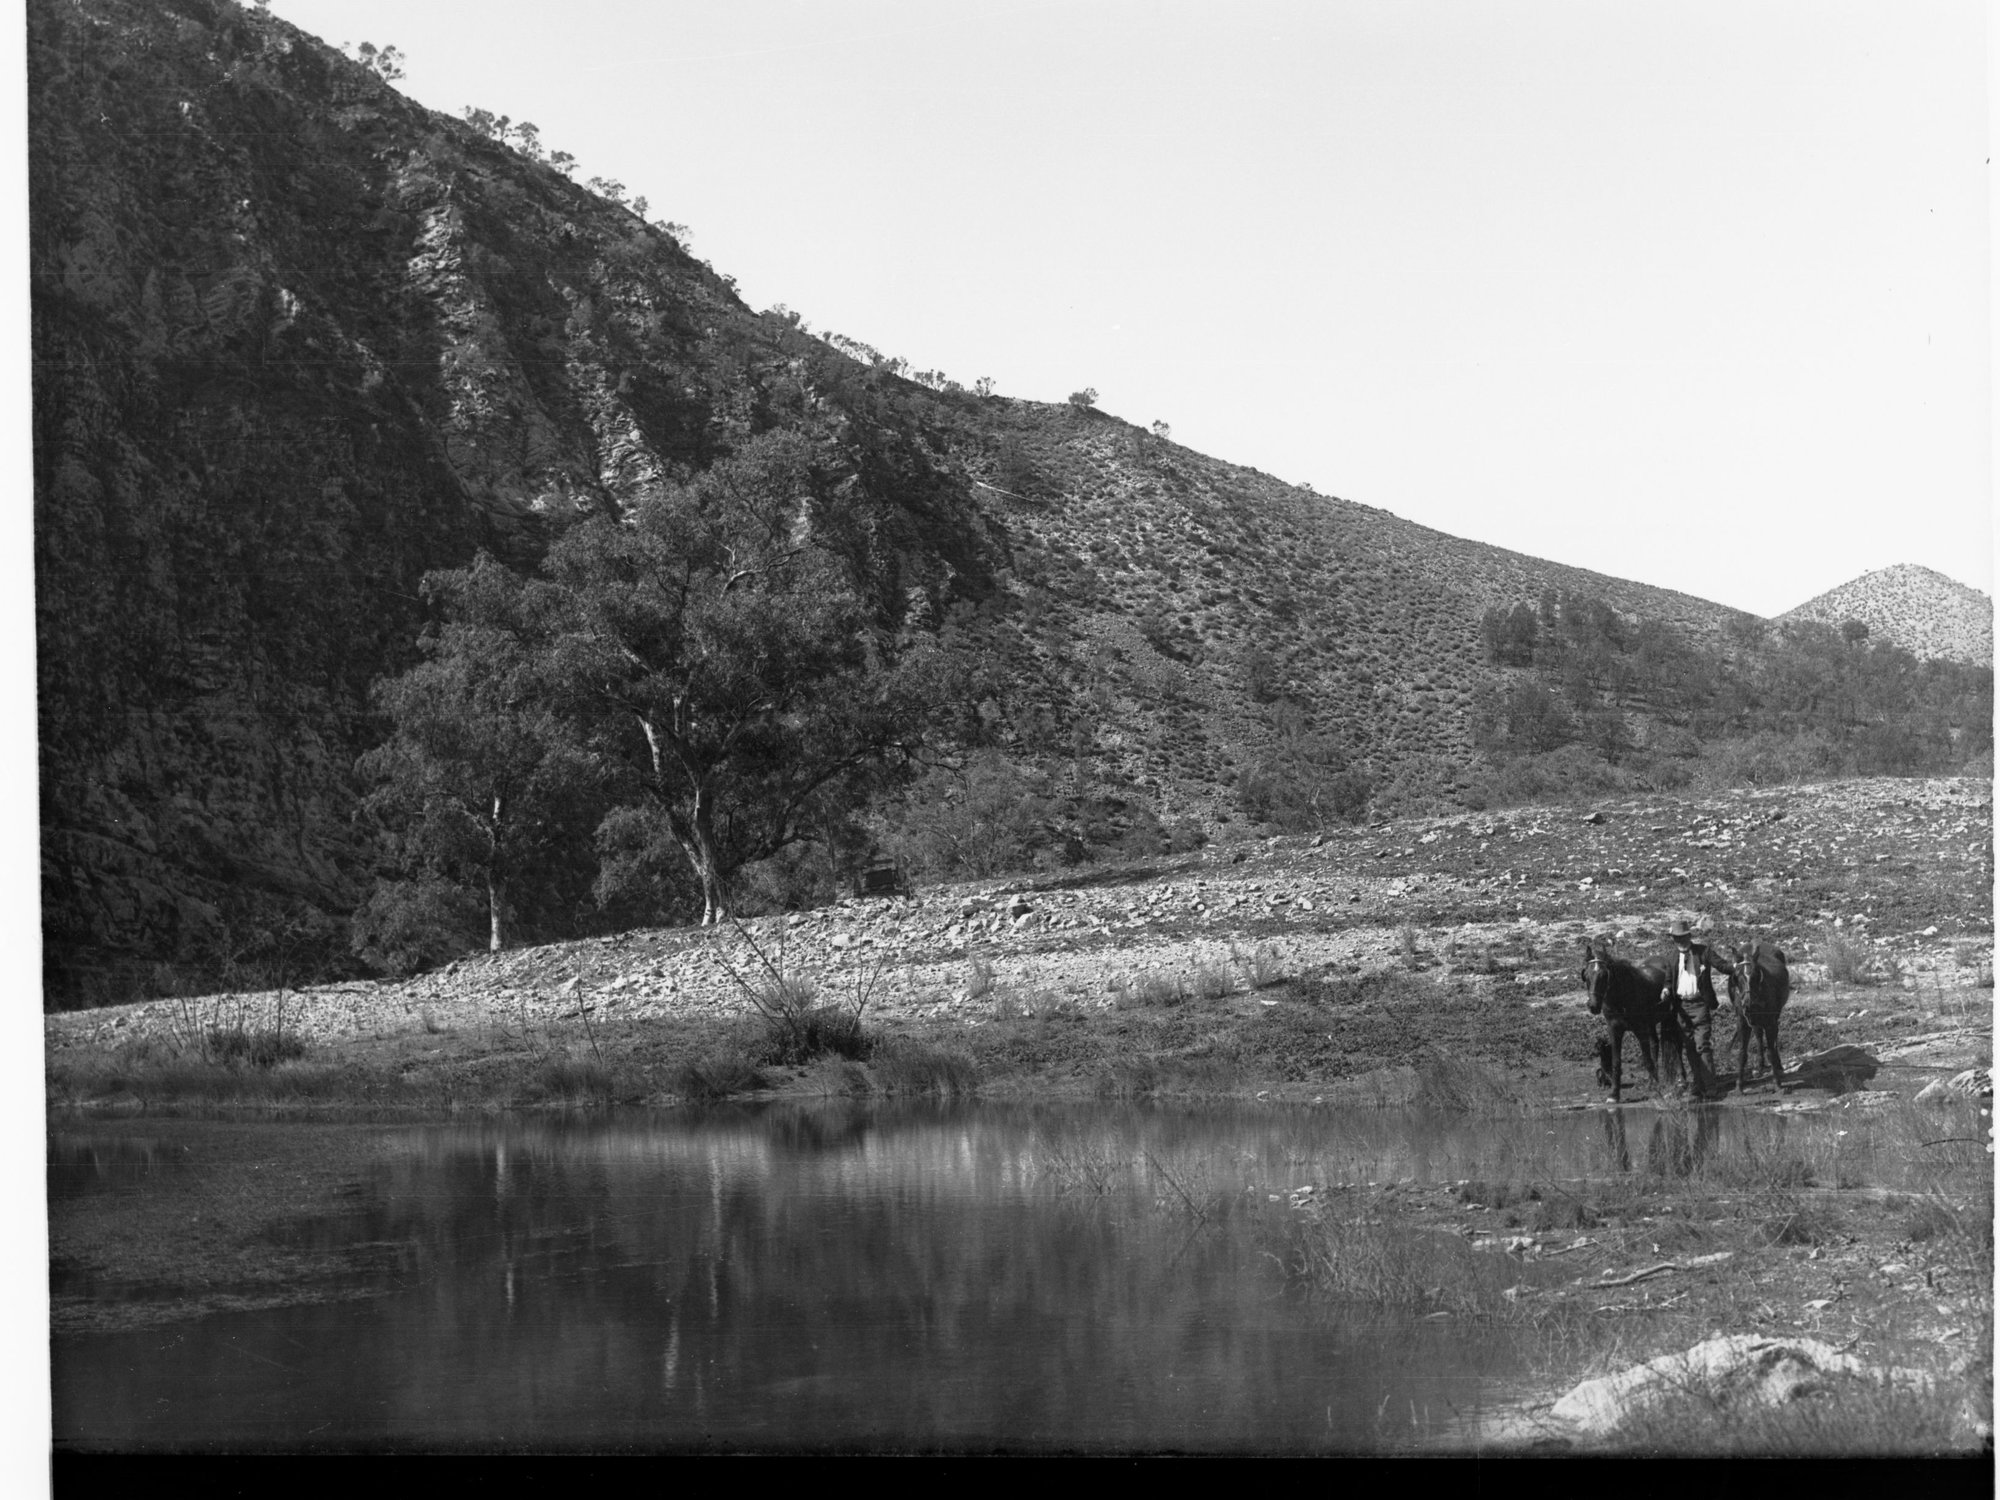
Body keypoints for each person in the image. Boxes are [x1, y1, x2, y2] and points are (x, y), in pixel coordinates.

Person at [1659, 916, 1722, 1081]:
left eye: (1683, 937)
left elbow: (1722, 964)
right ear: (1673, 939)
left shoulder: (1703, 952)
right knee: (1689, 1046)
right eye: (1676, 938)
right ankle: (1698, 1084)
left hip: (1700, 1004)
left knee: (1702, 1044)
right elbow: (1668, 980)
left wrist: (1737, 967)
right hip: (1682, 1007)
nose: (1680, 941)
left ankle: (1709, 1086)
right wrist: (1666, 990)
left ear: (1689, 936)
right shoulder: (1671, 958)